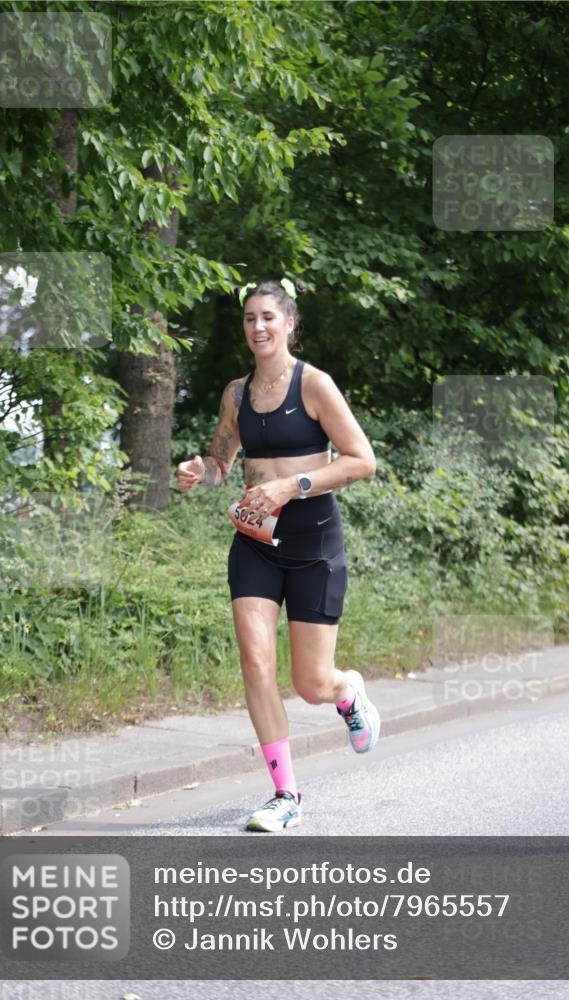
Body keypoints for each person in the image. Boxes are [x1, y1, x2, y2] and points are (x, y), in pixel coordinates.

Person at [176, 279, 379, 832]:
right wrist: (203, 470)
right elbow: (223, 462)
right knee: (256, 664)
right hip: (255, 544)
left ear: (289, 322)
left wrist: (293, 485)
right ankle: (284, 793)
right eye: (249, 318)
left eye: (268, 317)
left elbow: (362, 460)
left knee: (310, 683)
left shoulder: (314, 385)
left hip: (313, 544)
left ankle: (346, 691)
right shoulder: (236, 394)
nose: (258, 327)